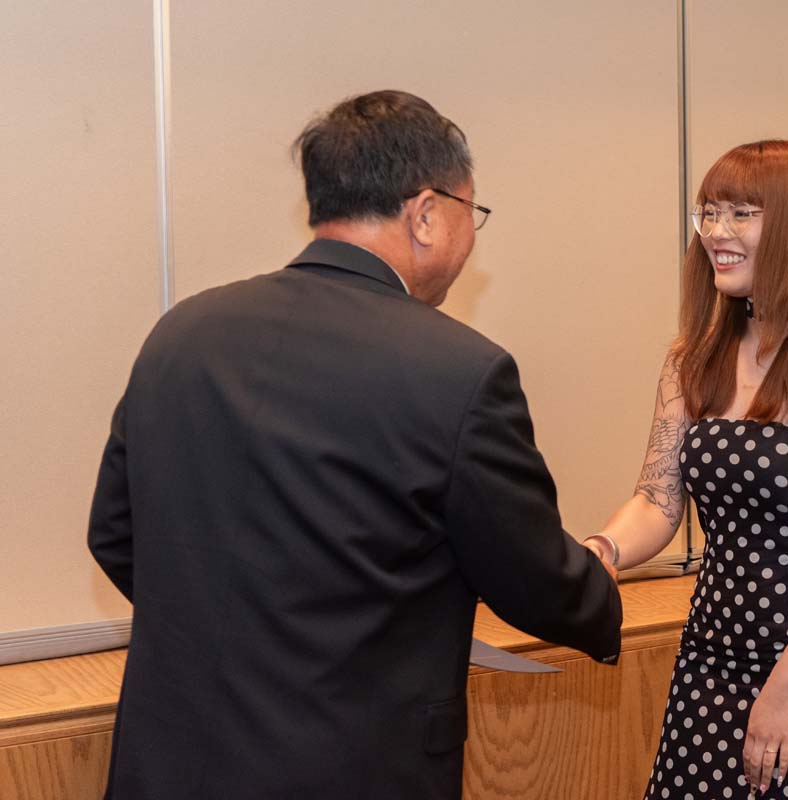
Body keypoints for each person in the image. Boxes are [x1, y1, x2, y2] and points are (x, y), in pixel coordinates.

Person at [87, 90, 622, 800]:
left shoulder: (183, 334)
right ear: (427, 214)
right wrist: (601, 579)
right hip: (352, 766)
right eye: (473, 212)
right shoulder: (458, 371)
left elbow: (115, 534)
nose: (472, 237)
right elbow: (535, 578)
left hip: (173, 762)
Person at [581, 140, 788, 799]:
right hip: (710, 659)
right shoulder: (691, 358)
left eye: (741, 214)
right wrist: (602, 549)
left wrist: (787, 686)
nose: (716, 234)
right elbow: (657, 499)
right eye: (708, 212)